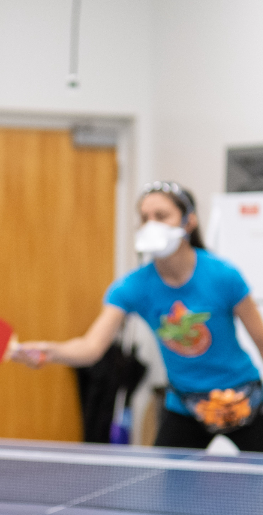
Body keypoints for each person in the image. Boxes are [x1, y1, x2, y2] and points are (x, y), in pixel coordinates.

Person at [14, 181, 263, 451]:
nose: (151, 224)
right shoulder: (132, 287)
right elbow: (91, 347)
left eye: (161, 216)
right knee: (168, 488)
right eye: (145, 218)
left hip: (243, 399)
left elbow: (260, 338)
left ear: (189, 222)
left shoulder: (223, 276)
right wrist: (49, 351)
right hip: (184, 406)